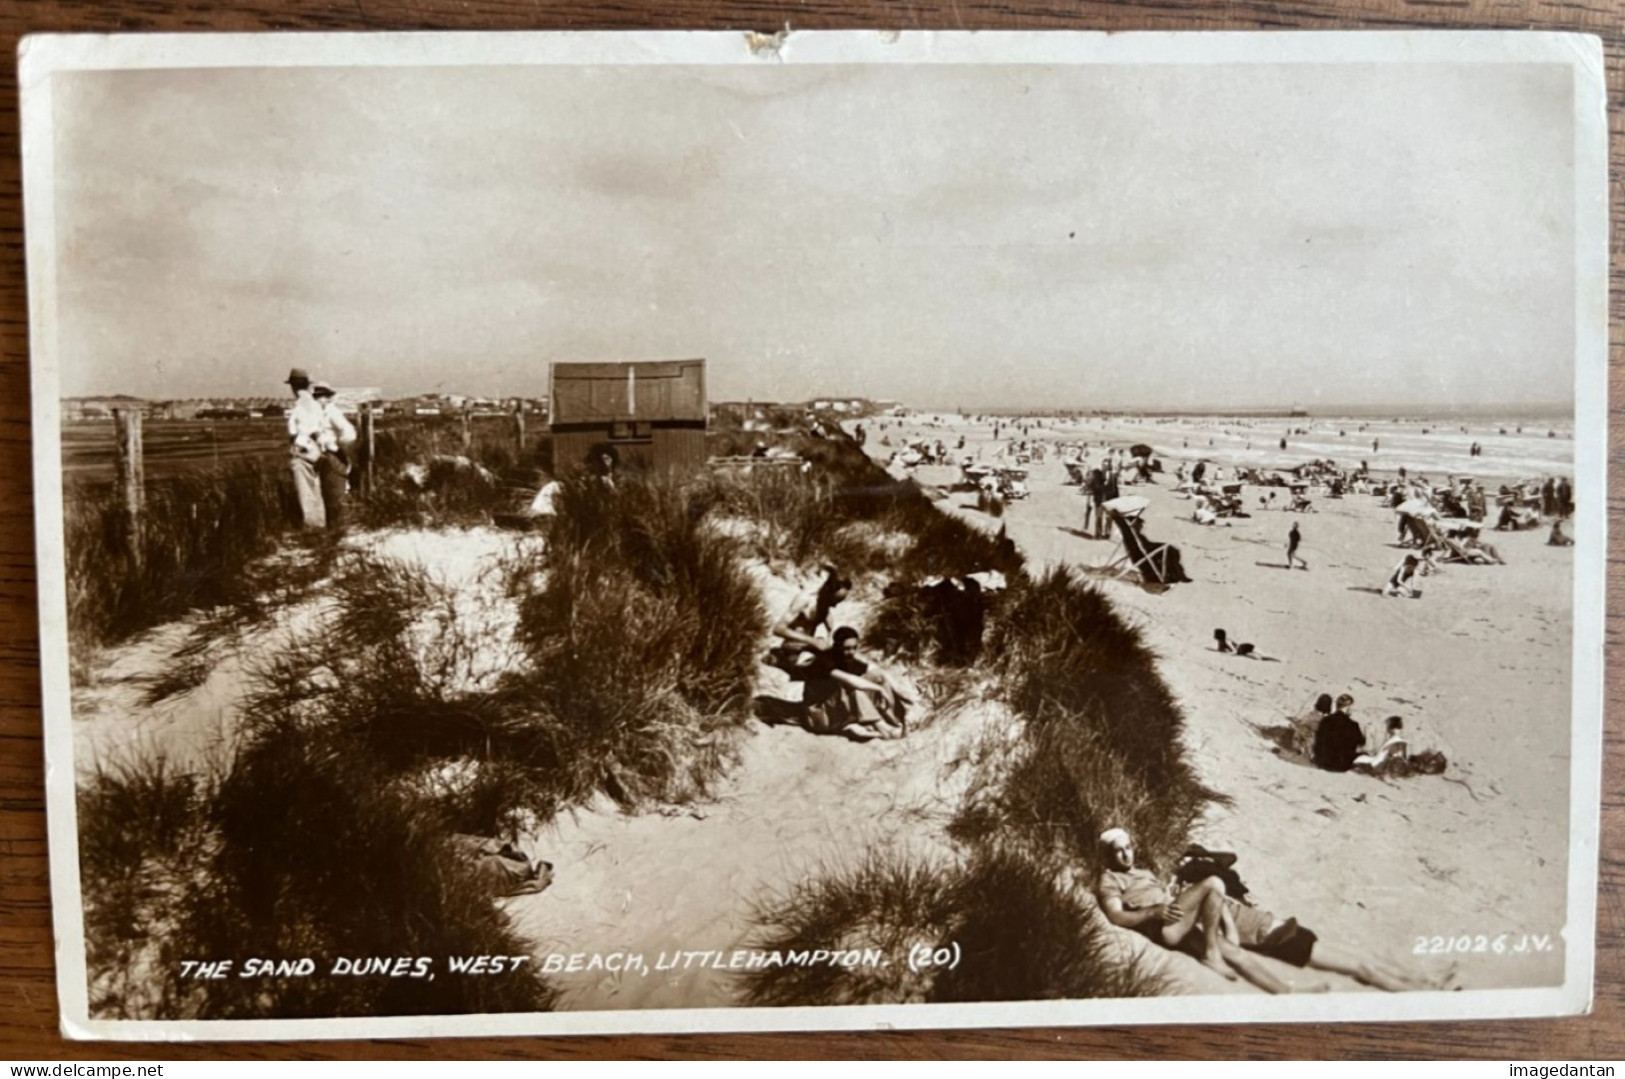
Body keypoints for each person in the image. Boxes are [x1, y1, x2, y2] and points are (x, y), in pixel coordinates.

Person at [1094, 828, 1237, 981]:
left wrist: (1175, 895)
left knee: (1218, 900)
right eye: (1118, 850)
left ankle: (1227, 939)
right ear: (1108, 855)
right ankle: (1211, 956)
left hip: (1174, 916)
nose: (1126, 854)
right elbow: (1115, 915)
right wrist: (1151, 912)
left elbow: (1160, 897)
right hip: (1162, 927)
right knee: (1214, 882)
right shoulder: (1109, 878)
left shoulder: (1145, 873)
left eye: (1128, 848)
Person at [794, 626, 909, 740]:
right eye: (847, 648)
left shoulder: (847, 659)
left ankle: (893, 720)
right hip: (819, 718)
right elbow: (850, 680)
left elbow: (877, 673)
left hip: (833, 710)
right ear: (837, 646)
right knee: (853, 689)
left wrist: (906, 698)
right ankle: (884, 729)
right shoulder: (825, 660)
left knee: (878, 676)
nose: (851, 652)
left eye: (854, 648)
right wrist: (879, 689)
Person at [768, 568, 853, 674]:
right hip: (793, 649)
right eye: (834, 601)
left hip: (809, 649)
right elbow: (778, 629)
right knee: (827, 669)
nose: (835, 606)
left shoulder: (824, 604)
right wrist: (812, 641)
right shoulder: (805, 600)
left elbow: (830, 626)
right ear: (828, 592)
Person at [284, 367, 327, 529]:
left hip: (304, 449)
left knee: (305, 491)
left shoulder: (300, 406)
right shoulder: (314, 404)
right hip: (316, 449)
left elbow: (303, 430)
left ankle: (312, 528)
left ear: (293, 387)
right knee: (315, 487)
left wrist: (298, 446)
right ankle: (319, 525)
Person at [311, 382, 356, 532]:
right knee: (328, 495)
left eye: (324, 396)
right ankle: (333, 530)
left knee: (336, 493)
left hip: (332, 456)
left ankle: (341, 530)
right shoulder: (317, 413)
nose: (322, 400)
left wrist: (335, 446)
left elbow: (349, 433)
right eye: (318, 397)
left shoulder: (332, 412)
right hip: (322, 457)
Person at [1312, 694, 1365, 773]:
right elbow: (1361, 742)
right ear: (1348, 708)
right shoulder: (1353, 725)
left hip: (1323, 763)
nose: (1352, 710)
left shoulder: (1326, 721)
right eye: (1352, 708)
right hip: (1343, 766)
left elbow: (1318, 742)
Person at [1291, 693, 1335, 759]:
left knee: (1301, 731)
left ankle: (1299, 749)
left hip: (1310, 741)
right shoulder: (1329, 720)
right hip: (1322, 744)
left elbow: (1301, 723)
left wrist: (1295, 722)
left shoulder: (1311, 716)